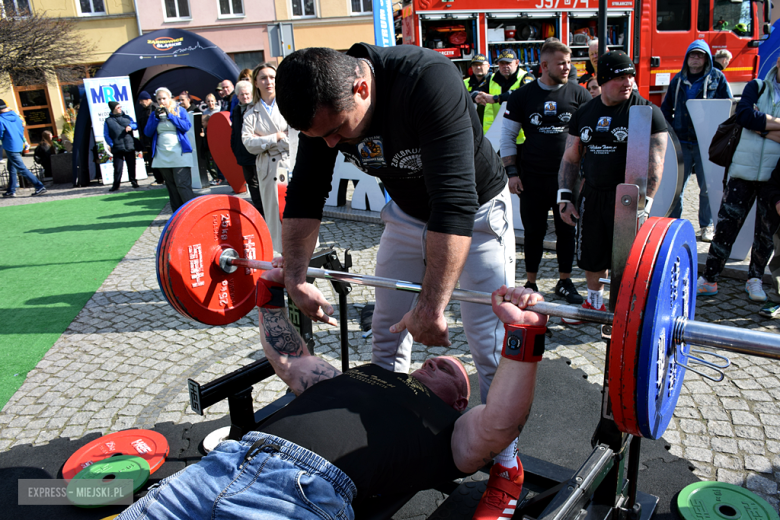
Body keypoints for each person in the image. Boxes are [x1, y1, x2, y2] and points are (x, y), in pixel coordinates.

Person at [275, 45, 520, 516]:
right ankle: (381, 435)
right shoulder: (320, 95)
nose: (331, 145)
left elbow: (455, 201)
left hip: (478, 212)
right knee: (386, 332)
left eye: (336, 132)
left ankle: (507, 468)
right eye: (319, 136)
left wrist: (431, 307)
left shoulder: (428, 80)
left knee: (488, 343)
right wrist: (295, 278)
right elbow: (304, 195)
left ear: (362, 87)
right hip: (407, 215)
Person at [115, 269, 547, 520]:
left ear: (458, 402)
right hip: (225, 463)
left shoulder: (450, 427)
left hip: (299, 492)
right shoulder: (351, 381)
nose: (437, 361)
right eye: (434, 360)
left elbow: (501, 422)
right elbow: (291, 359)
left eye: (452, 371)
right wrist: (269, 293)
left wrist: (522, 334)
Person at [558, 51, 667, 319]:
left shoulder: (647, 111)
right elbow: (571, 158)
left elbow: (656, 160)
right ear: (602, 80)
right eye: (620, 77)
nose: (628, 82)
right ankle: (594, 302)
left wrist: (645, 202)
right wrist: (564, 197)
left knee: (627, 259)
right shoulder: (585, 112)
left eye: (630, 75)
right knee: (592, 254)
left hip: (628, 198)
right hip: (593, 195)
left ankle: (627, 310)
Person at [500, 41, 590, 304]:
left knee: (566, 232)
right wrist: (512, 173)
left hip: (567, 180)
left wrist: (585, 177)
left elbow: (589, 140)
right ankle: (530, 282)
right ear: (544, 66)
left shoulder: (579, 94)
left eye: (569, 61)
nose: (567, 67)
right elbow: (507, 137)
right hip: (532, 178)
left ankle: (564, 281)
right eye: (561, 62)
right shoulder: (522, 96)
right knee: (533, 232)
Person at [697, 56, 780, 302]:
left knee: (765, 233)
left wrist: (762, 125)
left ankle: (754, 279)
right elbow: (744, 117)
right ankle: (709, 278)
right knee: (725, 227)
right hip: (742, 171)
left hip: (774, 176)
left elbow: (753, 122)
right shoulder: (757, 86)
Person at [661, 41, 731, 242]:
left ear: (707, 58)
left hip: (706, 142)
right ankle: (673, 225)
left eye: (700, 56)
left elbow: (725, 109)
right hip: (681, 141)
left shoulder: (718, 78)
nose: (696, 59)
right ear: (687, 57)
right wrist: (668, 132)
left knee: (707, 187)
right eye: (693, 55)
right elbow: (666, 109)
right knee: (675, 187)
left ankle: (706, 225)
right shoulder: (678, 80)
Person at [242, 63, 292, 253]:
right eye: (263, 78)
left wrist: (263, 140)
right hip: (267, 168)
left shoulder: (289, 105)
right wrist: (276, 136)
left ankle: (304, 252)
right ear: (256, 82)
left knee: (294, 210)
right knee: (273, 213)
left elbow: (295, 138)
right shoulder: (251, 113)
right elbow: (248, 144)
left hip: (288, 163)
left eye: (272, 77)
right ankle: (279, 256)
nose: (268, 81)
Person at [144, 87, 195, 211]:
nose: (162, 101)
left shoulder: (179, 110)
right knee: (171, 186)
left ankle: (191, 212)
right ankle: (176, 215)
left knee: (182, 184)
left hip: (179, 152)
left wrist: (170, 116)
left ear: (170, 98)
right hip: (162, 153)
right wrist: (155, 118)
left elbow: (186, 126)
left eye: (164, 98)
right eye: (159, 99)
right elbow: (147, 132)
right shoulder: (154, 113)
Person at [474, 48, 534, 137]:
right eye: (502, 63)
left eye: (508, 63)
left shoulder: (526, 77)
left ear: (517, 63)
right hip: (498, 134)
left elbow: (522, 94)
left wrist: (496, 98)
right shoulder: (492, 78)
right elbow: (476, 90)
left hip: (521, 135)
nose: (505, 66)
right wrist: (476, 96)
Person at [0, 99, 46, 197]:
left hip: (10, 146)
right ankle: (11, 190)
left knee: (21, 168)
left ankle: (39, 186)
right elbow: (22, 128)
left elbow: (1, 133)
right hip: (19, 144)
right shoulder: (15, 116)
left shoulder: (1, 119)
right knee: (11, 168)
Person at [231, 80, 262, 216]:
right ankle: (259, 210)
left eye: (247, 94)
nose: (245, 97)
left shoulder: (257, 107)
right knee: (252, 184)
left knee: (261, 182)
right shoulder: (237, 109)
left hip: (257, 151)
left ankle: (266, 211)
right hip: (243, 153)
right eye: (242, 94)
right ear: (238, 96)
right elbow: (235, 132)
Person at [103, 100, 139, 192]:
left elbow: (135, 124)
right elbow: (106, 134)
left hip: (129, 144)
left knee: (131, 165)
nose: (120, 109)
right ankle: (116, 184)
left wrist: (131, 126)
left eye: (120, 107)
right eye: (118, 107)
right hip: (117, 147)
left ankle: (134, 181)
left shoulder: (127, 117)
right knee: (117, 167)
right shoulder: (108, 121)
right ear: (113, 109)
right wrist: (112, 144)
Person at [137, 91, 164, 187]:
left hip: (157, 138)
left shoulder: (155, 108)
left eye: (142, 100)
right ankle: (159, 179)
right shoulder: (142, 112)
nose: (140, 103)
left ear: (148, 99)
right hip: (147, 140)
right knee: (152, 160)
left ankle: (165, 178)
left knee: (160, 158)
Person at [201, 93, 226, 186]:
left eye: (212, 101)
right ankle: (218, 177)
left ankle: (223, 176)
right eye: (208, 101)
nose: (210, 103)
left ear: (215, 101)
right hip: (210, 138)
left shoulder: (219, 109)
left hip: (220, 137)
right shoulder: (205, 112)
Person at [465, 54, 492, 125]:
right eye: (475, 65)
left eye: (481, 64)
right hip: (472, 124)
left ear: (488, 66)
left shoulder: (494, 81)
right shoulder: (465, 82)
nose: (478, 67)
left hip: (491, 125)